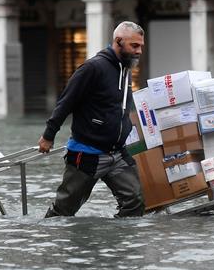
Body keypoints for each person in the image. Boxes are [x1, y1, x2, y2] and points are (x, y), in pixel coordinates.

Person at [38, 21, 145, 217]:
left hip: (117, 153)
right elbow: (65, 102)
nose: (139, 51)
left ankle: (118, 245)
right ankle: (51, 239)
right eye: (134, 46)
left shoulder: (126, 70)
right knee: (63, 211)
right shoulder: (93, 68)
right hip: (87, 153)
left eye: (141, 46)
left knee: (134, 201)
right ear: (118, 41)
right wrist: (48, 135)